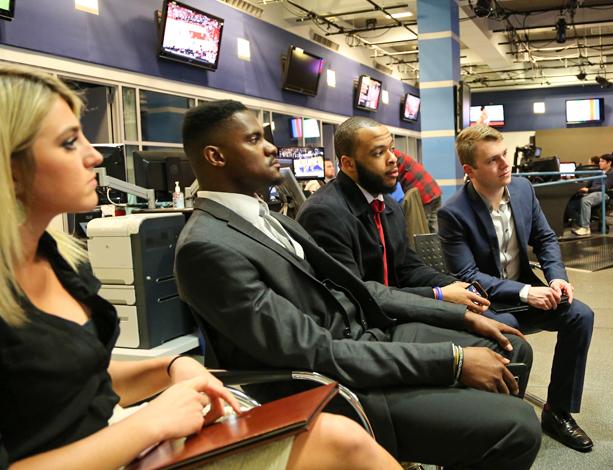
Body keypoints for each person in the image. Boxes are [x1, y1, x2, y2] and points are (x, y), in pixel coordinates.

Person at [0, 66, 401, 470]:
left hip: (118, 439)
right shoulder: (207, 245)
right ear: (10, 166)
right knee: (342, 442)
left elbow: (78, 380)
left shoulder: (58, 259)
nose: (94, 155)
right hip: (113, 447)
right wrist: (150, 423)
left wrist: (171, 366)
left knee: (343, 438)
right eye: (70, 142)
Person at [173, 100, 542, 469]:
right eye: (254, 139)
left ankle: (459, 442)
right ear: (215, 156)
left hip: (364, 338)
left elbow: (357, 290)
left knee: (511, 349)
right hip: (328, 383)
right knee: (519, 426)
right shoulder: (207, 247)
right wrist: (453, 360)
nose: (271, 147)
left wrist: (460, 316)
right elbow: (314, 351)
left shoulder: (267, 218)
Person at [437, 125, 597, 454]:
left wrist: (555, 278)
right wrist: (527, 293)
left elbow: (546, 239)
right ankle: (503, 423)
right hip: (483, 305)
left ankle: (558, 412)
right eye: (493, 160)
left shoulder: (522, 190)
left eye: (505, 155)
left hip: (524, 296)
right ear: (470, 170)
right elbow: (467, 274)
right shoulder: (453, 213)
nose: (505, 164)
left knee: (579, 314)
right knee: (508, 330)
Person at [297, 117, 487, 314]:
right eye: (379, 153)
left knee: (495, 322)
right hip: (365, 328)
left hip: (393, 311)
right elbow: (354, 293)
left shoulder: (388, 204)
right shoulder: (323, 214)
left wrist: (456, 286)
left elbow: (408, 267)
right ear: (348, 164)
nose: (393, 158)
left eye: (392, 149)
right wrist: (438, 294)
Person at [569, 154, 613, 237]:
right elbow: (589, 183)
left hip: (604, 194)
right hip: (592, 193)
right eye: (600, 161)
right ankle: (581, 225)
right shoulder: (598, 172)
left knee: (585, 201)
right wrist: (580, 186)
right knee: (572, 203)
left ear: (609, 163)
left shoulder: (612, 174)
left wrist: (589, 190)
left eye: (602, 161)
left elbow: (604, 187)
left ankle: (586, 228)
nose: (600, 163)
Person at [394, 148, 442, 232]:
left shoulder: (391, 157)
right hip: (434, 191)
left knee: (422, 230)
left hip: (424, 196)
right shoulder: (396, 155)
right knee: (434, 230)